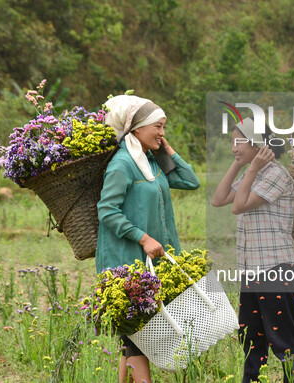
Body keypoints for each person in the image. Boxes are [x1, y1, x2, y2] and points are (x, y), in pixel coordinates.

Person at [96, 94, 200, 383]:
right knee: (138, 336)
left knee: (135, 339)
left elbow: (191, 181)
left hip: (151, 261)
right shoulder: (123, 165)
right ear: (138, 128)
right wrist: (142, 238)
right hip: (125, 263)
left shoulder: (152, 162)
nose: (162, 132)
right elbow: (106, 210)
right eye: (158, 126)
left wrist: (167, 151)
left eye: (164, 126)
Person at [212, 118, 294, 383]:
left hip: (276, 268)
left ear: (258, 144)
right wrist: (241, 164)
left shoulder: (275, 173)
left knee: (284, 340)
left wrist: (251, 167)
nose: (233, 148)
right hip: (252, 270)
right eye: (231, 142)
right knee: (251, 339)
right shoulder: (251, 172)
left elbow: (238, 205)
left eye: (238, 142)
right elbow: (219, 199)